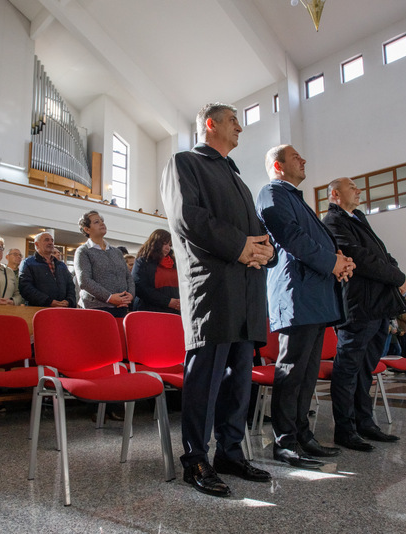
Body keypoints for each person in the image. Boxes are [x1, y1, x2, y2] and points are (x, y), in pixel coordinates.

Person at [161, 102, 275, 497]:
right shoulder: (185, 163)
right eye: (233, 121)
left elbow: (257, 231)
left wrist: (266, 252)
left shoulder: (237, 178)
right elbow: (187, 217)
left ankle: (230, 452)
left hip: (246, 291)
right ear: (211, 124)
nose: (239, 128)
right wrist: (241, 247)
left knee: (239, 380)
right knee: (205, 379)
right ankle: (196, 457)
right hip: (212, 285)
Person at [256, 144, 353, 468]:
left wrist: (339, 261)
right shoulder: (272, 192)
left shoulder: (295, 197)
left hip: (313, 294)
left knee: (308, 374)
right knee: (292, 371)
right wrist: (332, 262)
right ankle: (285, 442)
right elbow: (291, 237)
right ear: (278, 166)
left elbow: (315, 240)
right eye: (296, 157)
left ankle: (303, 435)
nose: (304, 160)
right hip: (296, 293)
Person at [323, 177, 406, 451]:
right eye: (352, 187)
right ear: (335, 194)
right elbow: (360, 258)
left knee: (365, 370)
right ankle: (345, 429)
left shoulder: (358, 217)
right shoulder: (333, 221)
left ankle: (365, 422)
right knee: (348, 369)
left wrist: (396, 270)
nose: (359, 190)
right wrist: (397, 277)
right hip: (359, 305)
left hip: (379, 305)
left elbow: (382, 253)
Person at [73, 211, 134, 317]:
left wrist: (130, 295)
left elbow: (128, 277)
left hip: (121, 307)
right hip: (96, 308)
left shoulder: (116, 252)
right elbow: (84, 281)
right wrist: (109, 298)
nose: (102, 223)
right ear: (86, 229)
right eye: (96, 222)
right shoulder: (83, 251)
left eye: (102, 221)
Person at [18, 232, 76, 308]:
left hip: (62, 308)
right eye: (46, 240)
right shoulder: (28, 263)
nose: (50, 243)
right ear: (37, 244)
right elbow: (26, 288)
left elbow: (70, 286)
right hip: (39, 309)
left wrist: (68, 301)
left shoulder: (61, 265)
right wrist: (48, 301)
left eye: (52, 240)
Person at [131, 229, 179, 314]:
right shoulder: (143, 261)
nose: (168, 248)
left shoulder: (174, 263)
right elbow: (140, 287)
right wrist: (167, 301)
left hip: (173, 311)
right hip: (149, 310)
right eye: (164, 244)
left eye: (170, 245)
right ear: (155, 243)